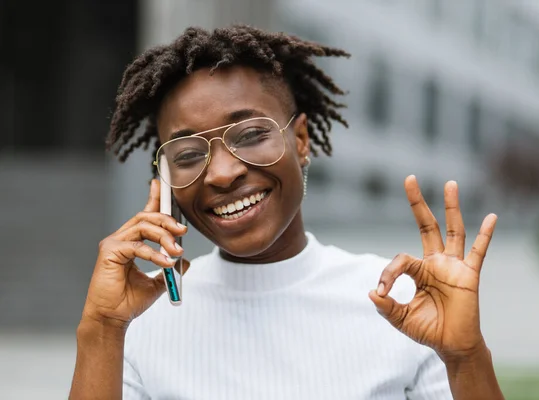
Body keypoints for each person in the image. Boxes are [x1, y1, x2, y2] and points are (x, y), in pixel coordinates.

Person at [69, 25, 505, 400]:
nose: (222, 173)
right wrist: (102, 328)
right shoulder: (138, 323)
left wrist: (466, 357)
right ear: (164, 182)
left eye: (251, 133)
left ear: (300, 140)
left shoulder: (402, 304)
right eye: (186, 154)